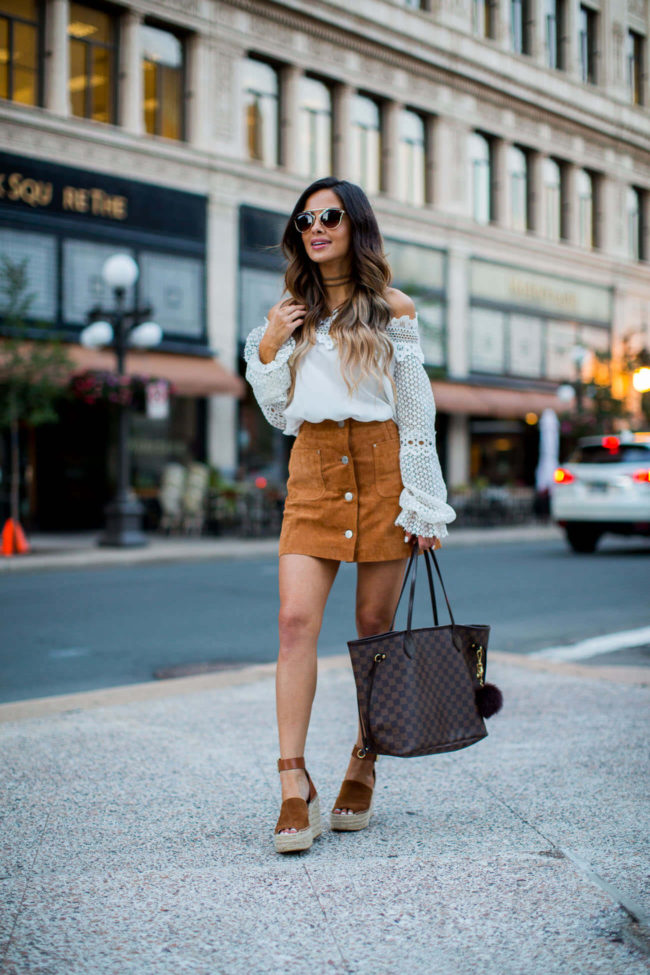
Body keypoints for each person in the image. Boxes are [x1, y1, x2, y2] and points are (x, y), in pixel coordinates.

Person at [244, 176, 456, 854]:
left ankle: (365, 758)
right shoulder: (288, 312)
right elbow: (277, 412)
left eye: (329, 216)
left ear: (355, 225)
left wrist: (423, 499)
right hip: (313, 465)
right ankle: (292, 781)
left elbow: (416, 412)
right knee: (293, 622)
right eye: (305, 220)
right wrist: (269, 346)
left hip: (383, 465)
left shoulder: (393, 308)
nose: (315, 228)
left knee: (373, 629)